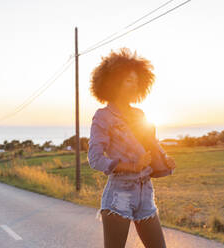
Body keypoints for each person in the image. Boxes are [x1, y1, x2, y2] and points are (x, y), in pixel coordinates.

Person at [87, 47, 176, 248]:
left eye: (137, 81)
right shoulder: (103, 116)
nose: (133, 85)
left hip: (145, 192)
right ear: (113, 82)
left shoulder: (139, 114)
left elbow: (150, 144)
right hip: (120, 193)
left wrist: (165, 159)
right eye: (128, 80)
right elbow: (95, 159)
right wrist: (131, 166)